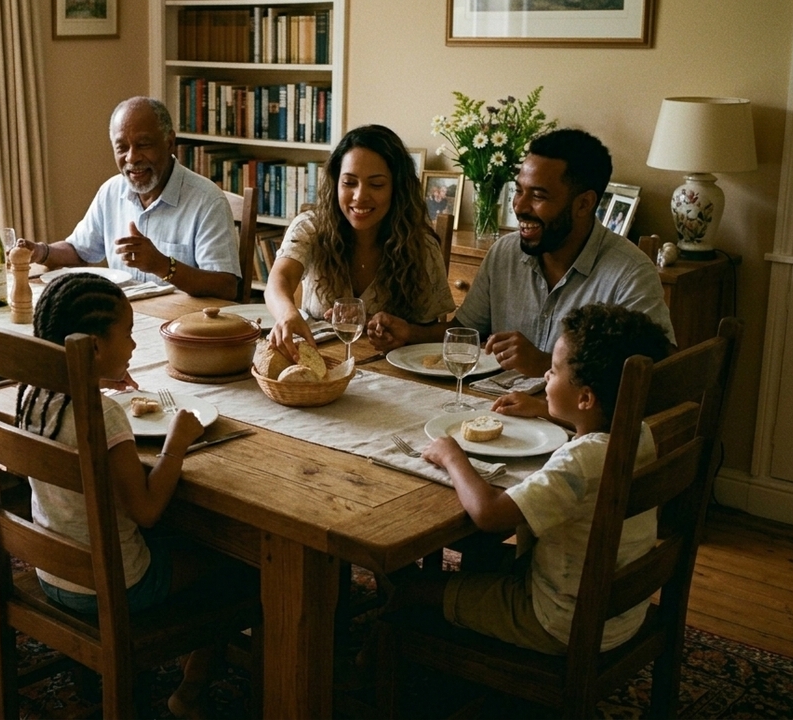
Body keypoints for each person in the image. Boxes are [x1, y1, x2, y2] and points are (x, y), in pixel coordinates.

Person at [20, 272, 250, 716]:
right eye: (126, 334)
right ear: (95, 347)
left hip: (53, 574)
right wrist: (178, 442)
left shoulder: (33, 396)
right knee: (241, 563)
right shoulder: (102, 415)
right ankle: (192, 689)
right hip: (118, 586)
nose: (133, 346)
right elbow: (146, 511)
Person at [388, 304, 672, 655]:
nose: (547, 378)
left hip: (559, 621)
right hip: (618, 610)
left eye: (553, 371)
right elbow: (593, 434)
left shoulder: (580, 461)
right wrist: (546, 410)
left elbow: (490, 514)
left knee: (409, 589)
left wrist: (452, 456)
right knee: (482, 558)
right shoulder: (638, 433)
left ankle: (373, 667)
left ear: (585, 398)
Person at [368, 128, 675, 381]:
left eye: (538, 195)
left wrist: (545, 364)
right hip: (497, 412)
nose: (519, 206)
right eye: (519, 190)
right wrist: (410, 333)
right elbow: (463, 334)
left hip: (579, 434)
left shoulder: (630, 272)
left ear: (584, 204)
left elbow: (654, 376)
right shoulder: (504, 252)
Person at [17, 96, 241, 300]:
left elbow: (226, 286)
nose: (132, 158)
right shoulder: (111, 191)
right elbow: (78, 251)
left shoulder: (207, 201)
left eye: (143, 145)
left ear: (170, 142)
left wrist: (163, 266)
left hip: (182, 327)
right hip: (125, 321)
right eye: (122, 148)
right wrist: (41, 251)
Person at [265, 124, 455, 361]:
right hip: (318, 364)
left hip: (391, 374)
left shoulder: (422, 247)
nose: (359, 196)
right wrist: (287, 314)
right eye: (349, 183)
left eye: (376, 184)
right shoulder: (310, 227)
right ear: (335, 183)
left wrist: (407, 333)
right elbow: (279, 279)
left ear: (397, 188)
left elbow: (442, 332)